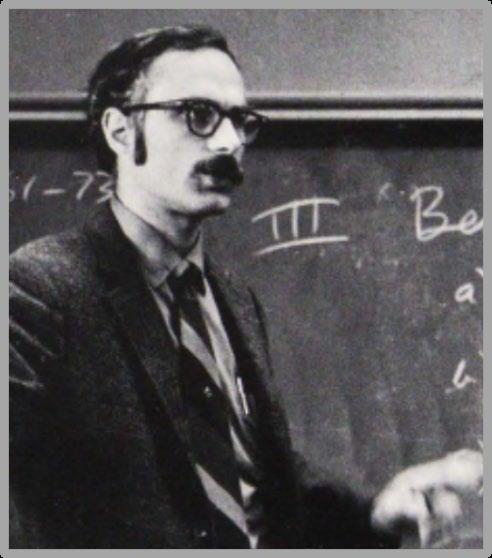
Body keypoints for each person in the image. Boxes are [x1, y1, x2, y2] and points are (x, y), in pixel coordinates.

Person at [9, 25, 482, 549]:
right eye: (198, 114)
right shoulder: (40, 289)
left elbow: (254, 487)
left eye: (239, 120)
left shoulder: (232, 299)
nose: (230, 142)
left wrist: (374, 516)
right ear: (120, 131)